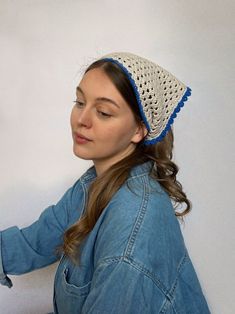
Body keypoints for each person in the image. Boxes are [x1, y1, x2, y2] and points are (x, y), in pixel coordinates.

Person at [0, 52, 210, 313]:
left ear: (139, 130)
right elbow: (34, 242)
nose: (81, 120)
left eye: (103, 112)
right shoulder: (96, 183)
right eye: (79, 102)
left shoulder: (133, 231)